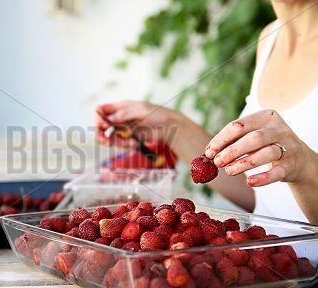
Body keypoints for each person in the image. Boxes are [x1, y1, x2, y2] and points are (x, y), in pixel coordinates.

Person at [95, 0, 318, 225]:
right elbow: (267, 197)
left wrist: (306, 168)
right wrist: (169, 123)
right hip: (273, 257)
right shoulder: (270, 38)